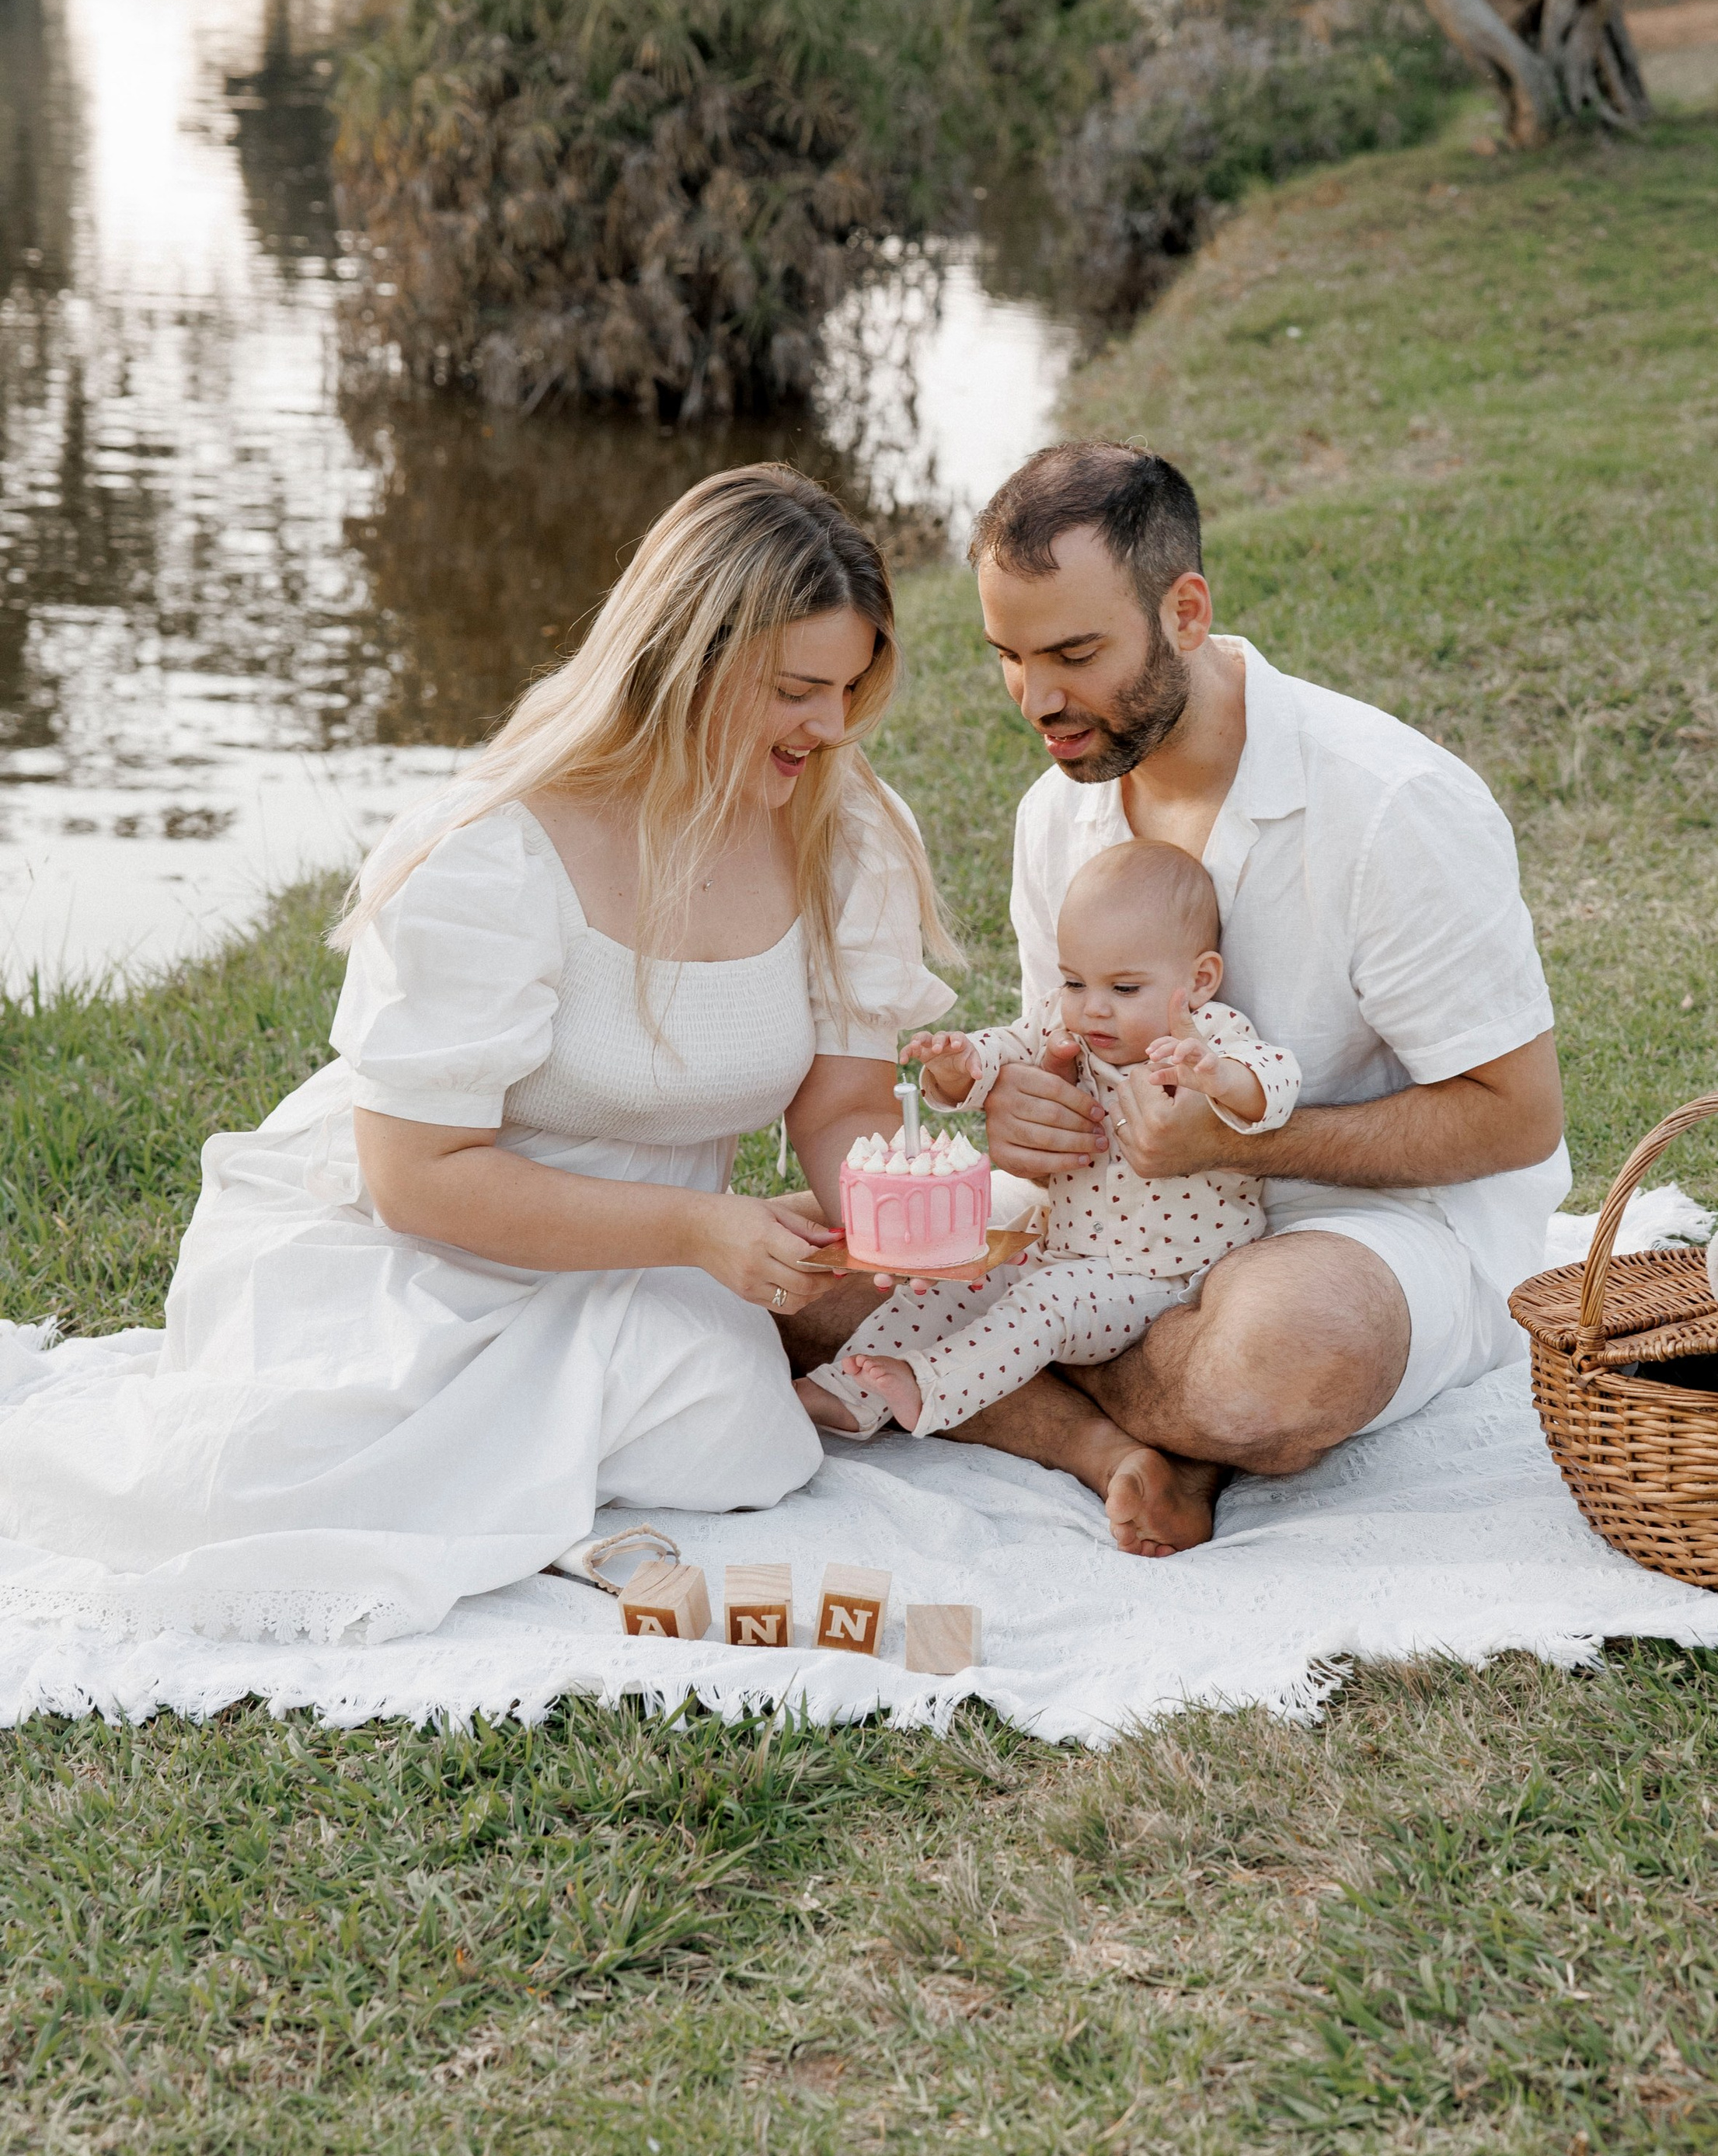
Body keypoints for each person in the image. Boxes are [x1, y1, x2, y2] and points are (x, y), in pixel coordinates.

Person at [0, 467, 954, 1644]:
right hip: (420, 1249)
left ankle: (528, 1485)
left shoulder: (841, 833)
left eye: (852, 690)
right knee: (243, 1488)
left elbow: (843, 1100)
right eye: (800, 690)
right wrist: (698, 1234)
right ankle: (502, 1487)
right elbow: (416, 1178)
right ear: (686, 658)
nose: (831, 727)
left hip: (653, 1264)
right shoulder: (496, 848)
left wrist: (895, 1214)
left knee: (742, 1436)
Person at [782, 442, 1567, 1555]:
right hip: (1112, 1231)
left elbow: (1515, 1115)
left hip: (1360, 1231)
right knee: (800, 1279)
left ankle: (1104, 1403)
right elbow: (1066, 1042)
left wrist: (1241, 1143)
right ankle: (1132, 1449)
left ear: (1186, 611)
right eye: (1008, 655)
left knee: (1278, 1362)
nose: (1037, 701)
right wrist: (1023, 1106)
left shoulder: (1394, 807)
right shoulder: (1059, 813)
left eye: (1074, 653)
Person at [800, 838, 1301, 1439]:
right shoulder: (1068, 1024)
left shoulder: (1211, 1036)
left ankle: (931, 1388)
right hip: (1060, 1248)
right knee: (960, 1283)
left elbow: (1276, 1079)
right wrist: (961, 1061)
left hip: (1161, 1275)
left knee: (1044, 1307)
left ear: (1198, 980)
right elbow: (1008, 1046)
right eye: (1074, 982)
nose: (1093, 1009)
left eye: (1123, 989)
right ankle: (844, 1394)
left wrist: (1219, 1077)